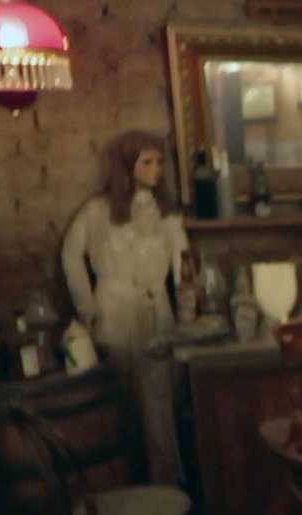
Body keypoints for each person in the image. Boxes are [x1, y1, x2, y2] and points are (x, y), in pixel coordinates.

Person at [62, 130, 189, 485]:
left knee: (160, 408)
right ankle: (125, 490)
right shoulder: (98, 211)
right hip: (114, 310)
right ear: (125, 166)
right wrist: (87, 306)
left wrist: (187, 302)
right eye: (146, 162)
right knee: (118, 403)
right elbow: (71, 255)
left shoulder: (165, 213)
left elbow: (183, 262)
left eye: (159, 162)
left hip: (155, 307)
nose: (156, 169)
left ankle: (168, 489)